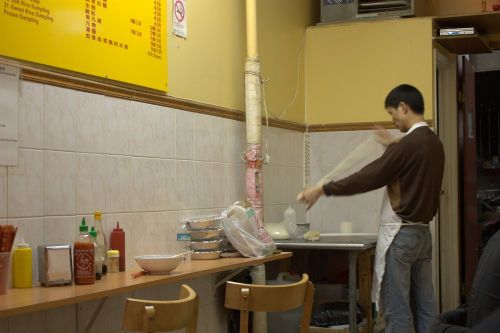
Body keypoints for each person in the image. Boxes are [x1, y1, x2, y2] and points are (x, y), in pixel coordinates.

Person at [299, 84, 445, 333]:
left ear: (404, 107)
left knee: (397, 311)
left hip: (401, 236)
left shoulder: (407, 145)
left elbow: (368, 177)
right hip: (422, 235)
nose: (393, 119)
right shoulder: (433, 143)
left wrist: (323, 189)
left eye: (392, 113)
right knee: (425, 307)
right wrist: (392, 147)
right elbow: (409, 172)